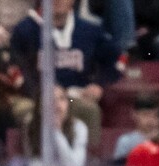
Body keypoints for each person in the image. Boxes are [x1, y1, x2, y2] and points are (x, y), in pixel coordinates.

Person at [9, 0, 122, 145]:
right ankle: (33, 161)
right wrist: (36, 94)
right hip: (35, 98)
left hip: (73, 98)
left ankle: (90, 161)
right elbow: (14, 68)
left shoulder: (89, 31)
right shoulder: (25, 30)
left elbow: (119, 60)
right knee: (25, 111)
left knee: (89, 109)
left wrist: (99, 84)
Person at [23, 84, 88, 166]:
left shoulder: (79, 127)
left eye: (62, 99)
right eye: (50, 99)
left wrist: (57, 131)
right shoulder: (31, 125)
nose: (57, 105)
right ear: (40, 107)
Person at [110, 91, 159, 163]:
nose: (151, 120)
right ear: (134, 114)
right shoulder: (126, 141)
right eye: (145, 115)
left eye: (155, 115)